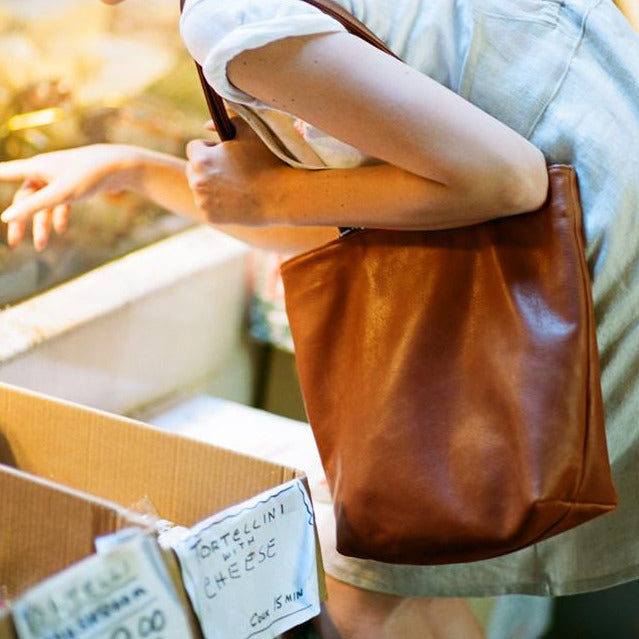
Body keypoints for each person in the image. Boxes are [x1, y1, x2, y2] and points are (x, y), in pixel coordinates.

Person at [0, 0, 638, 637]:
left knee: (373, 586)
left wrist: (268, 191)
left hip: (561, 285)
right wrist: (132, 168)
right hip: (590, 225)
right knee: (392, 578)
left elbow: (506, 181)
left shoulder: (229, 18)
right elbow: (346, 213)